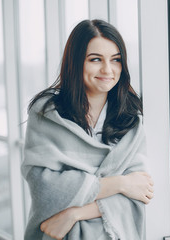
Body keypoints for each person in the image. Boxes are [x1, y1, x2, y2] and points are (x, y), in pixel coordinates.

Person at [21, 19, 154, 240]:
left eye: (116, 60)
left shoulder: (130, 118)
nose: (107, 70)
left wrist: (74, 214)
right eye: (95, 59)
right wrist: (120, 183)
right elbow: (45, 190)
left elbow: (139, 192)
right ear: (75, 62)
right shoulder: (47, 113)